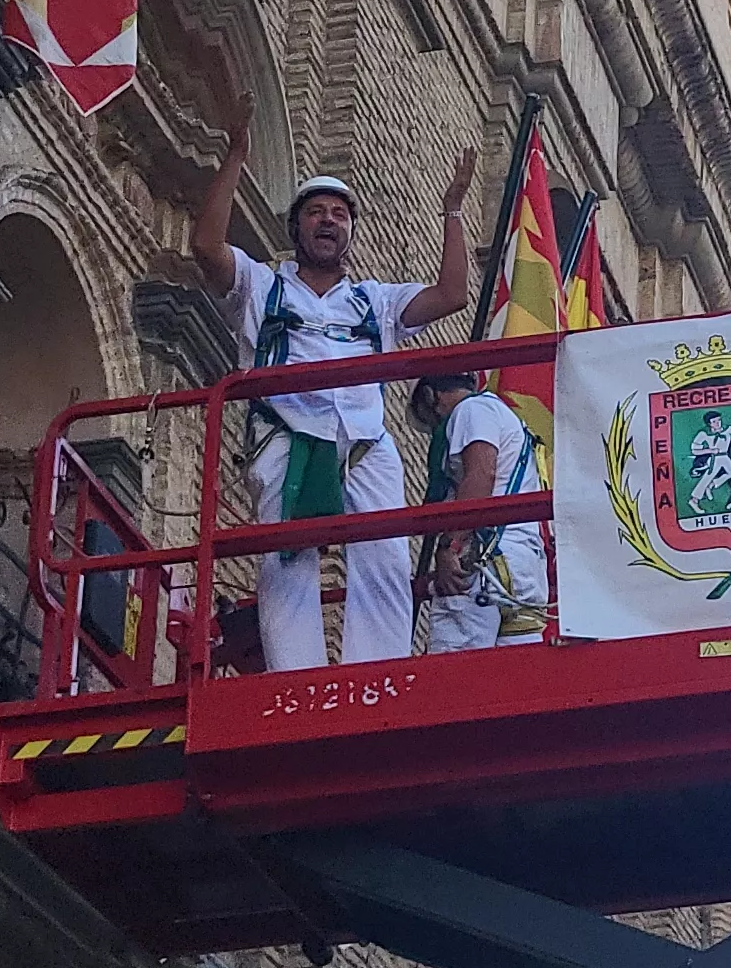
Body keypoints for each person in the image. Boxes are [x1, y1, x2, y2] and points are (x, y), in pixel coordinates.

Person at [183, 153, 478, 670]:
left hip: (365, 447)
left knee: (384, 560)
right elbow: (206, 245)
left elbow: (452, 295)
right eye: (316, 211)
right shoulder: (261, 286)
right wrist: (236, 153)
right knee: (287, 562)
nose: (327, 220)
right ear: (296, 227)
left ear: (350, 232)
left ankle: (379, 674)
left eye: (339, 214)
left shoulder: (374, 302)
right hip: (286, 441)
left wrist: (453, 211)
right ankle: (296, 678)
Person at [412, 364, 551, 653]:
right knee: (511, 682)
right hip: (524, 570)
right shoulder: (509, 421)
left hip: (484, 563)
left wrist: (451, 547)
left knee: (456, 675)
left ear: (431, 395)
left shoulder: (472, 410)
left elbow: (479, 475)